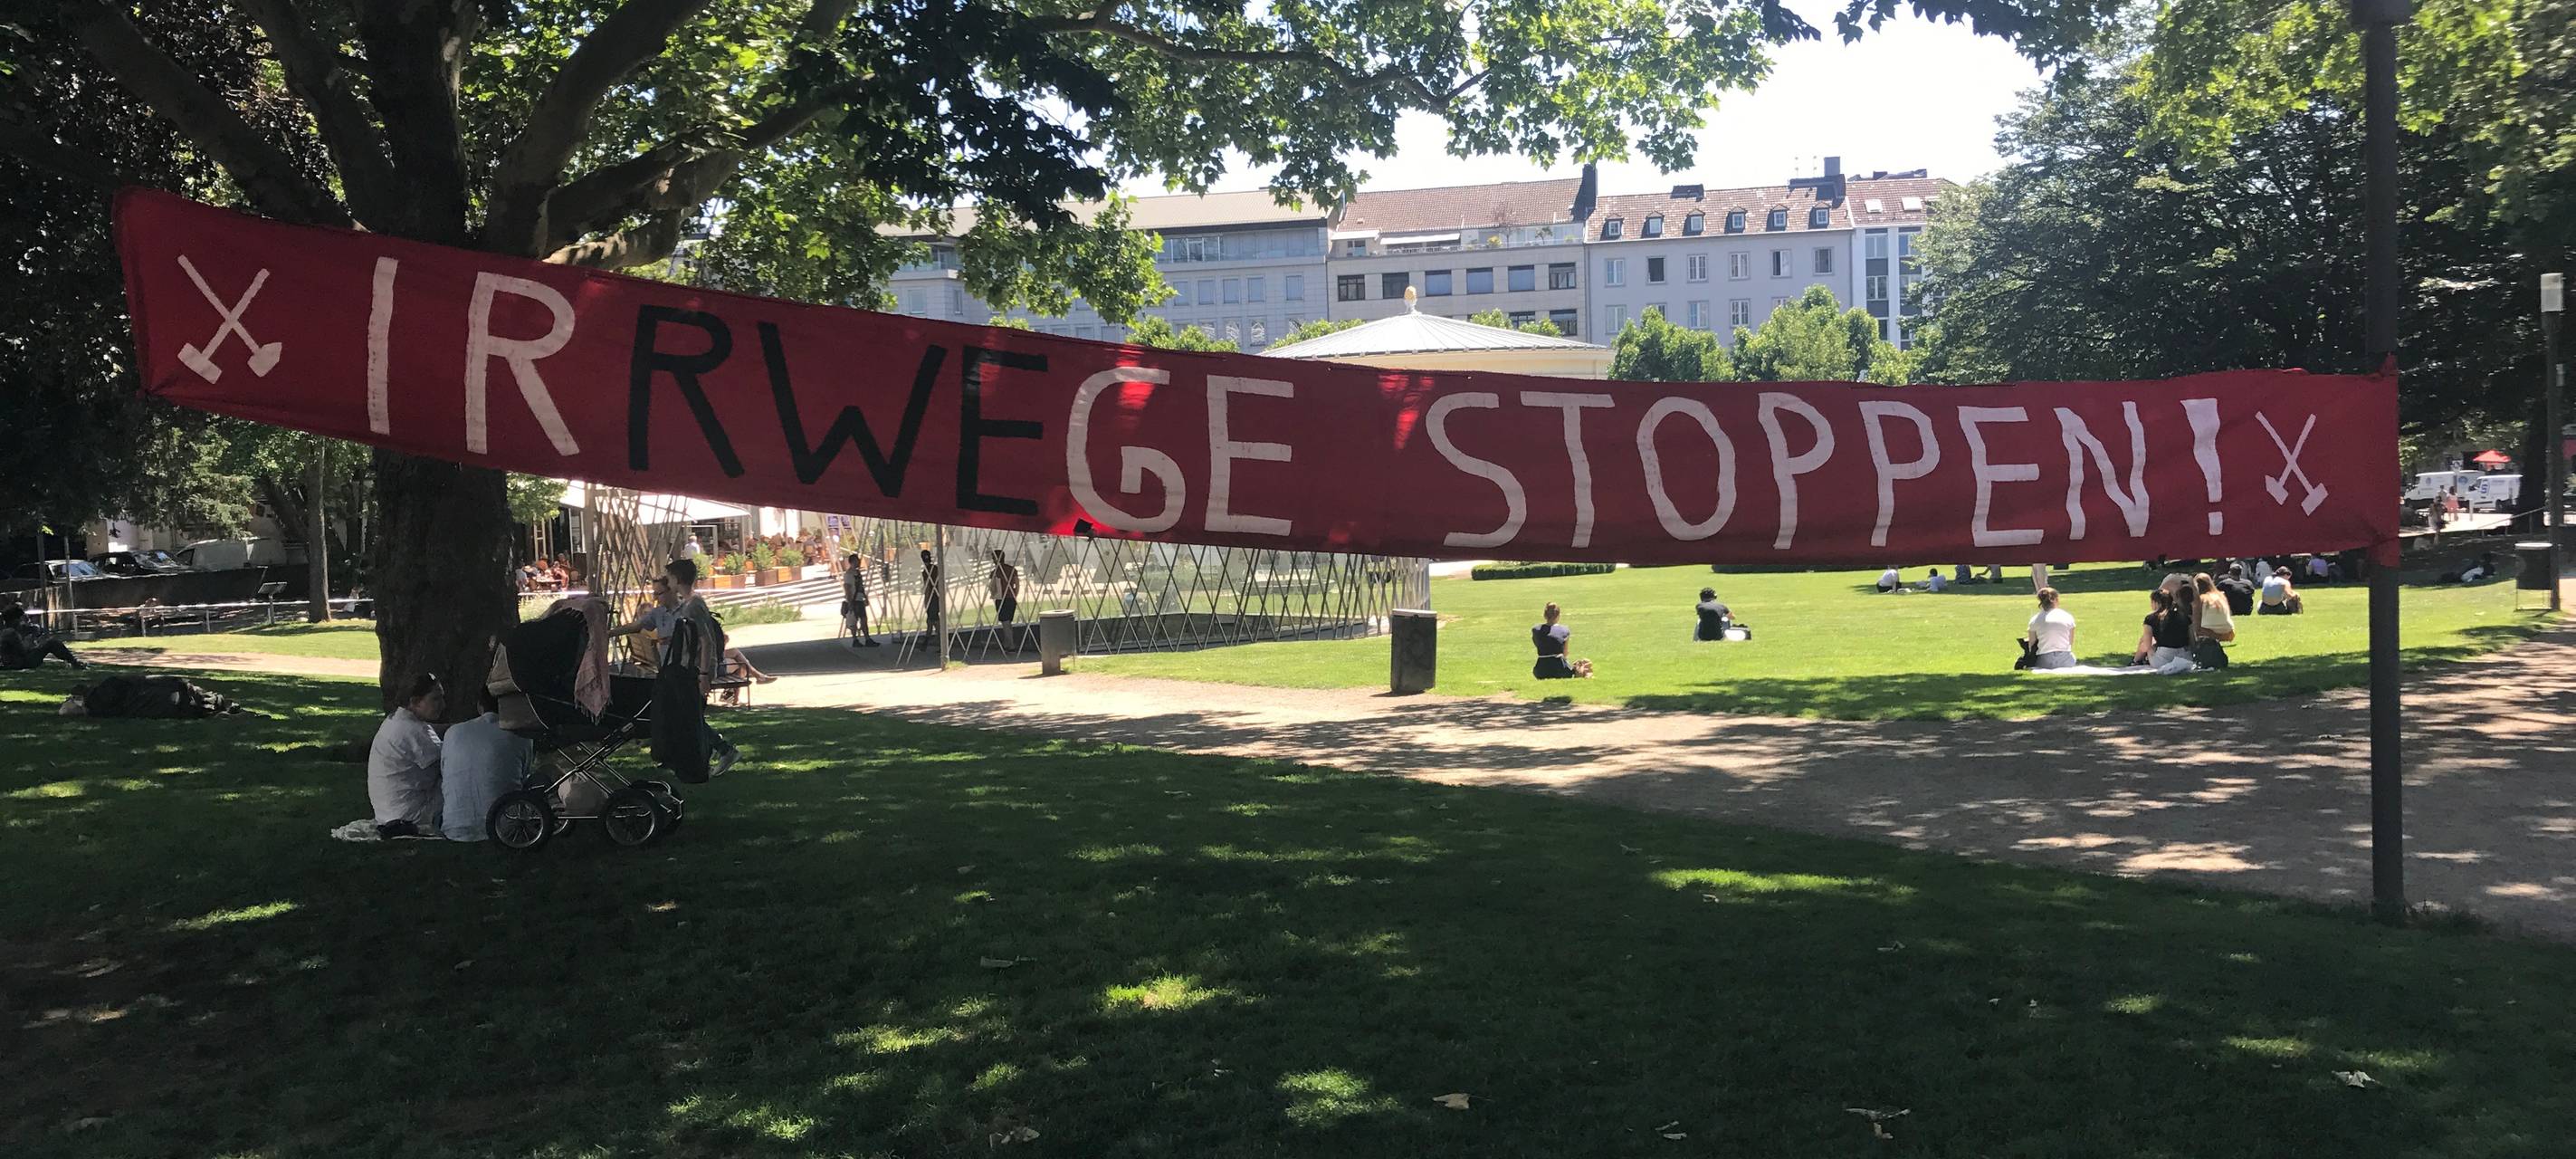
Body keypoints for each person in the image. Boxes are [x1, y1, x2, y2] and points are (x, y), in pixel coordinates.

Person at [662, 559, 740, 777]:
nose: (668, 582)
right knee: (688, 714)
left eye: (669, 578)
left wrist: (704, 674)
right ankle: (706, 753)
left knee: (690, 715)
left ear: (677, 579)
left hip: (696, 669)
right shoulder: (690, 603)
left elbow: (706, 641)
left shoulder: (693, 606)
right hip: (691, 666)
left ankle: (724, 750)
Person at [439, 688, 531, 842]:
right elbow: (524, 776)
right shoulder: (521, 734)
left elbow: (444, 773)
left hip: (454, 829)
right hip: (505, 828)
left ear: (479, 706)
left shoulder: (452, 732)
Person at [367, 674, 445, 838]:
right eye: (436, 699)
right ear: (415, 702)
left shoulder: (396, 722)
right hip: (410, 815)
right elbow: (447, 766)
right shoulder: (413, 731)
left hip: (387, 813)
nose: (443, 705)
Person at [1, 605, 86, 669]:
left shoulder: (11, 631)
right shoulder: (10, 633)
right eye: (21, 619)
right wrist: (32, 641)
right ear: (16, 620)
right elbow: (23, 650)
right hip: (21, 662)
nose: (23, 621)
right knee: (52, 643)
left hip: (19, 661)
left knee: (49, 643)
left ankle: (73, 662)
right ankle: (74, 663)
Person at [2134, 589, 2197, 673]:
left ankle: (2135, 661)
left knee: (2144, 640)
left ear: (2156, 603)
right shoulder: (2184, 617)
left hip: (2163, 660)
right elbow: (2192, 641)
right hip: (2185, 658)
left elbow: (2146, 646)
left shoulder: (2151, 618)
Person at [1531, 602, 1593, 679]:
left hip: (1540, 670)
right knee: (1584, 664)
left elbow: (1538, 644)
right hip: (1560, 669)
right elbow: (1565, 653)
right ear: (1558, 616)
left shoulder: (1536, 630)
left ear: (1545, 615)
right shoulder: (1564, 630)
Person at [2024, 587, 2077, 670]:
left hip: (2044, 661)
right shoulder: (2067, 616)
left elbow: (2032, 645)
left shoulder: (2035, 620)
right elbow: (2070, 641)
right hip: (2066, 660)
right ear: (2056, 599)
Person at [843, 551, 879, 647]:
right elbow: (847, 588)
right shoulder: (848, 574)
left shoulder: (857, 573)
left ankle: (867, 639)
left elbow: (861, 587)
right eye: (856, 561)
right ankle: (855, 640)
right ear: (852, 562)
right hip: (853, 600)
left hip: (859, 599)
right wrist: (850, 602)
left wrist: (865, 597)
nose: (858, 562)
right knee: (854, 621)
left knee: (863, 619)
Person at [2193, 572, 2237, 645]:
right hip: (2229, 634)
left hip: (2210, 634)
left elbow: (2196, 622)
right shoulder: (2221, 596)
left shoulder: (2201, 600)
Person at [988, 549, 1022, 625]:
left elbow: (992, 586)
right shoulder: (1012, 570)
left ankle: (1008, 633)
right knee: (1008, 622)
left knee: (1005, 623)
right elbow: (1017, 585)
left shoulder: (995, 572)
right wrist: (1014, 595)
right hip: (1011, 598)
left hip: (1001, 599)